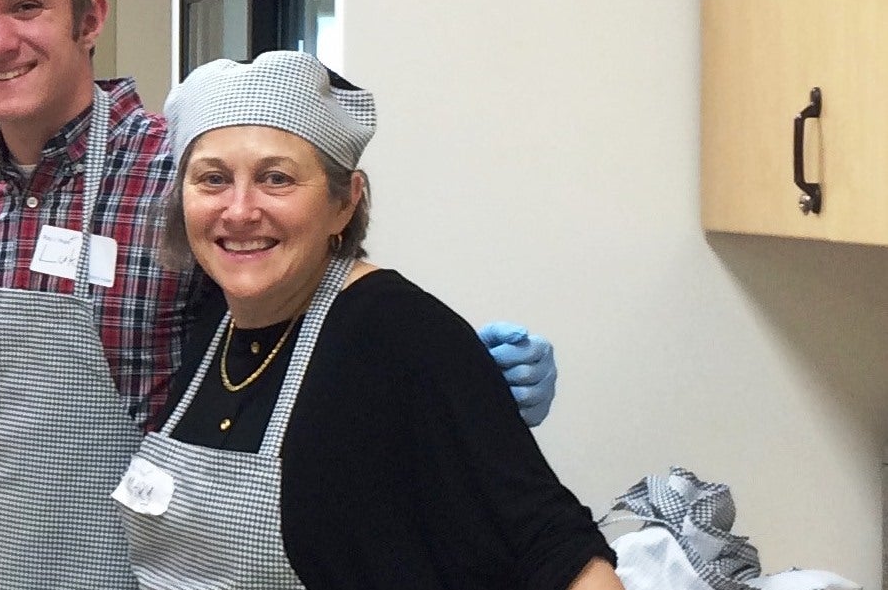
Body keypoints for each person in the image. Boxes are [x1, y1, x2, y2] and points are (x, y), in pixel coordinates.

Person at [0, 0, 558, 589]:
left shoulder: (187, 175)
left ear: (90, 17)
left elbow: (328, 305)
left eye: (25, 5)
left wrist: (457, 386)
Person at [119, 50, 619, 590]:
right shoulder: (215, 317)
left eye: (277, 179)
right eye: (212, 179)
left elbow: (564, 558)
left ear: (344, 203)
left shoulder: (398, 334)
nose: (239, 210)